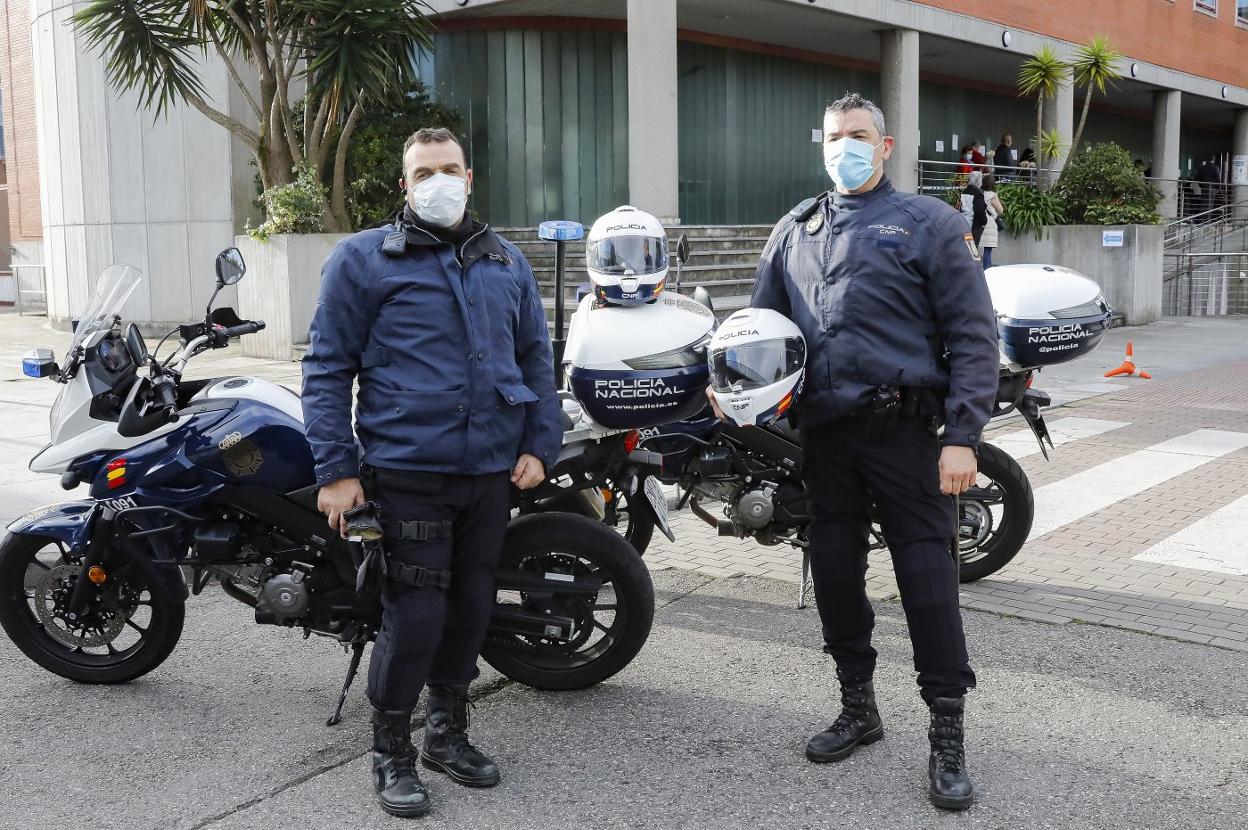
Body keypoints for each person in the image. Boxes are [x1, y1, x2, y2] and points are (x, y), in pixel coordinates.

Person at [712, 92, 998, 811]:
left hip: (906, 437)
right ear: (823, 145)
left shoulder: (929, 224)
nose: (848, 146)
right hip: (826, 439)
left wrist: (963, 437)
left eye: (861, 135)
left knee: (929, 585)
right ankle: (858, 707)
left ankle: (947, 733)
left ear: (887, 145)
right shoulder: (794, 230)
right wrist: (728, 387)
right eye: (837, 136)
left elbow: (973, 336)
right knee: (836, 578)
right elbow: (759, 328)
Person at [301, 127, 562, 818]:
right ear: (405, 185)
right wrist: (335, 469)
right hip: (407, 469)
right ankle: (391, 753)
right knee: (414, 615)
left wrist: (542, 441)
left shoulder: (506, 261)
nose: (438, 181)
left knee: (471, 608)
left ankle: (448, 732)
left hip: (490, 473)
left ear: (469, 178)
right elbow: (327, 366)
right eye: (424, 172)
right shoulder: (363, 260)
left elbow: (536, 359)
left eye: (450, 169)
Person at [979, 175, 1004, 269]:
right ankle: (987, 271)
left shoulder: (979, 194)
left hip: (979, 222)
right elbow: (1001, 210)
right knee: (987, 251)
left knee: (978, 249)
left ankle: (980, 271)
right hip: (990, 224)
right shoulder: (992, 196)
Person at [961, 170, 989, 248]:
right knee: (973, 250)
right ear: (978, 181)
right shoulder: (978, 193)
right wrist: (984, 221)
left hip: (964, 224)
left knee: (966, 248)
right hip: (975, 226)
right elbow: (979, 210)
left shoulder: (964, 191)